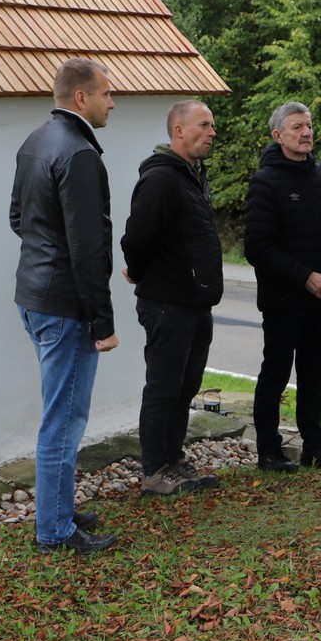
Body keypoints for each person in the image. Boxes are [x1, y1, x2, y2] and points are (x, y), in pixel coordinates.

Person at [10, 58, 121, 553]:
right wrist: (103, 321)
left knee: (59, 411)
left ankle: (57, 510)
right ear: (81, 98)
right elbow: (87, 248)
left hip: (34, 298)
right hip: (64, 307)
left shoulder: (35, 141)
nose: (111, 103)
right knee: (64, 419)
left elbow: (18, 219)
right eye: (105, 94)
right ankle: (54, 530)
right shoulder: (78, 153)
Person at [244, 102, 321, 472]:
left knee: (314, 377)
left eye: (308, 126)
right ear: (278, 136)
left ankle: (315, 446)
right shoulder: (265, 183)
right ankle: (269, 451)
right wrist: (305, 276)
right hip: (282, 302)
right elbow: (257, 247)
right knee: (275, 376)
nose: (306, 133)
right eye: (296, 127)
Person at [121, 100, 224, 497]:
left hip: (195, 303)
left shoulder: (191, 176)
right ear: (178, 131)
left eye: (212, 125)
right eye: (204, 125)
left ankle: (173, 459)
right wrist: (141, 272)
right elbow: (136, 238)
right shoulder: (162, 178)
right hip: (168, 303)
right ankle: (154, 472)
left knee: (185, 387)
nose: (212, 132)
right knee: (163, 388)